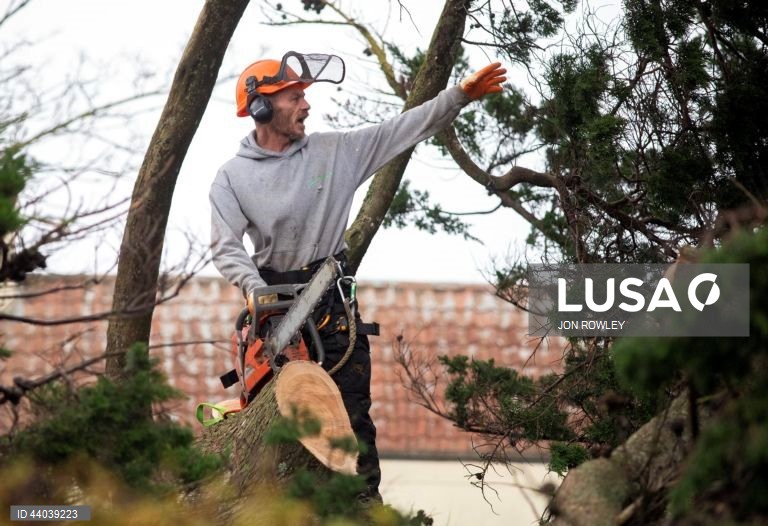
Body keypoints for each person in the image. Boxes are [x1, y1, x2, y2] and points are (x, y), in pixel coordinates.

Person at [209, 52, 506, 502]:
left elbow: (402, 129)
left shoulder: (335, 152)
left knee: (353, 417)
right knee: (276, 426)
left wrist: (459, 96)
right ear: (262, 107)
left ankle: (365, 506)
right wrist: (256, 294)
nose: (306, 105)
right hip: (272, 306)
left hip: (330, 306)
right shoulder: (231, 178)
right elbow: (225, 246)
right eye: (295, 97)